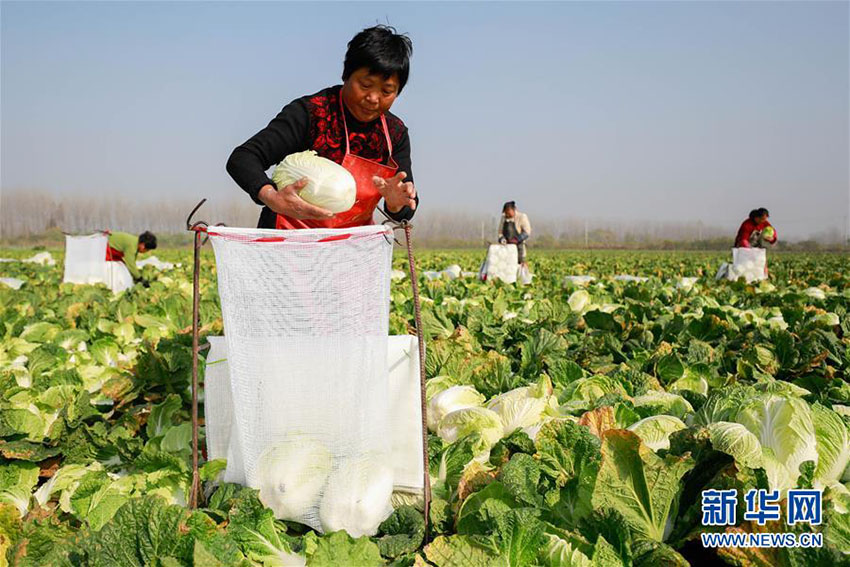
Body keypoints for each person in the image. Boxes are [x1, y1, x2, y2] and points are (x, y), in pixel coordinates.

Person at [226, 25, 418, 230]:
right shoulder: (311, 113)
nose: (373, 98)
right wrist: (271, 196)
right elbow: (243, 158)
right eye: (365, 85)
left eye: (386, 91)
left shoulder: (394, 133)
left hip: (348, 249)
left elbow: (406, 205)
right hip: (286, 243)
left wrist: (396, 204)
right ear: (346, 75)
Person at [498, 201, 532, 266]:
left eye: (509, 213)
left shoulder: (522, 216)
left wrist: (516, 239)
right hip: (506, 247)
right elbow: (500, 232)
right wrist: (502, 239)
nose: (507, 215)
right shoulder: (503, 217)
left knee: (521, 264)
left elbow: (527, 232)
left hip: (519, 247)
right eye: (506, 213)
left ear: (514, 210)